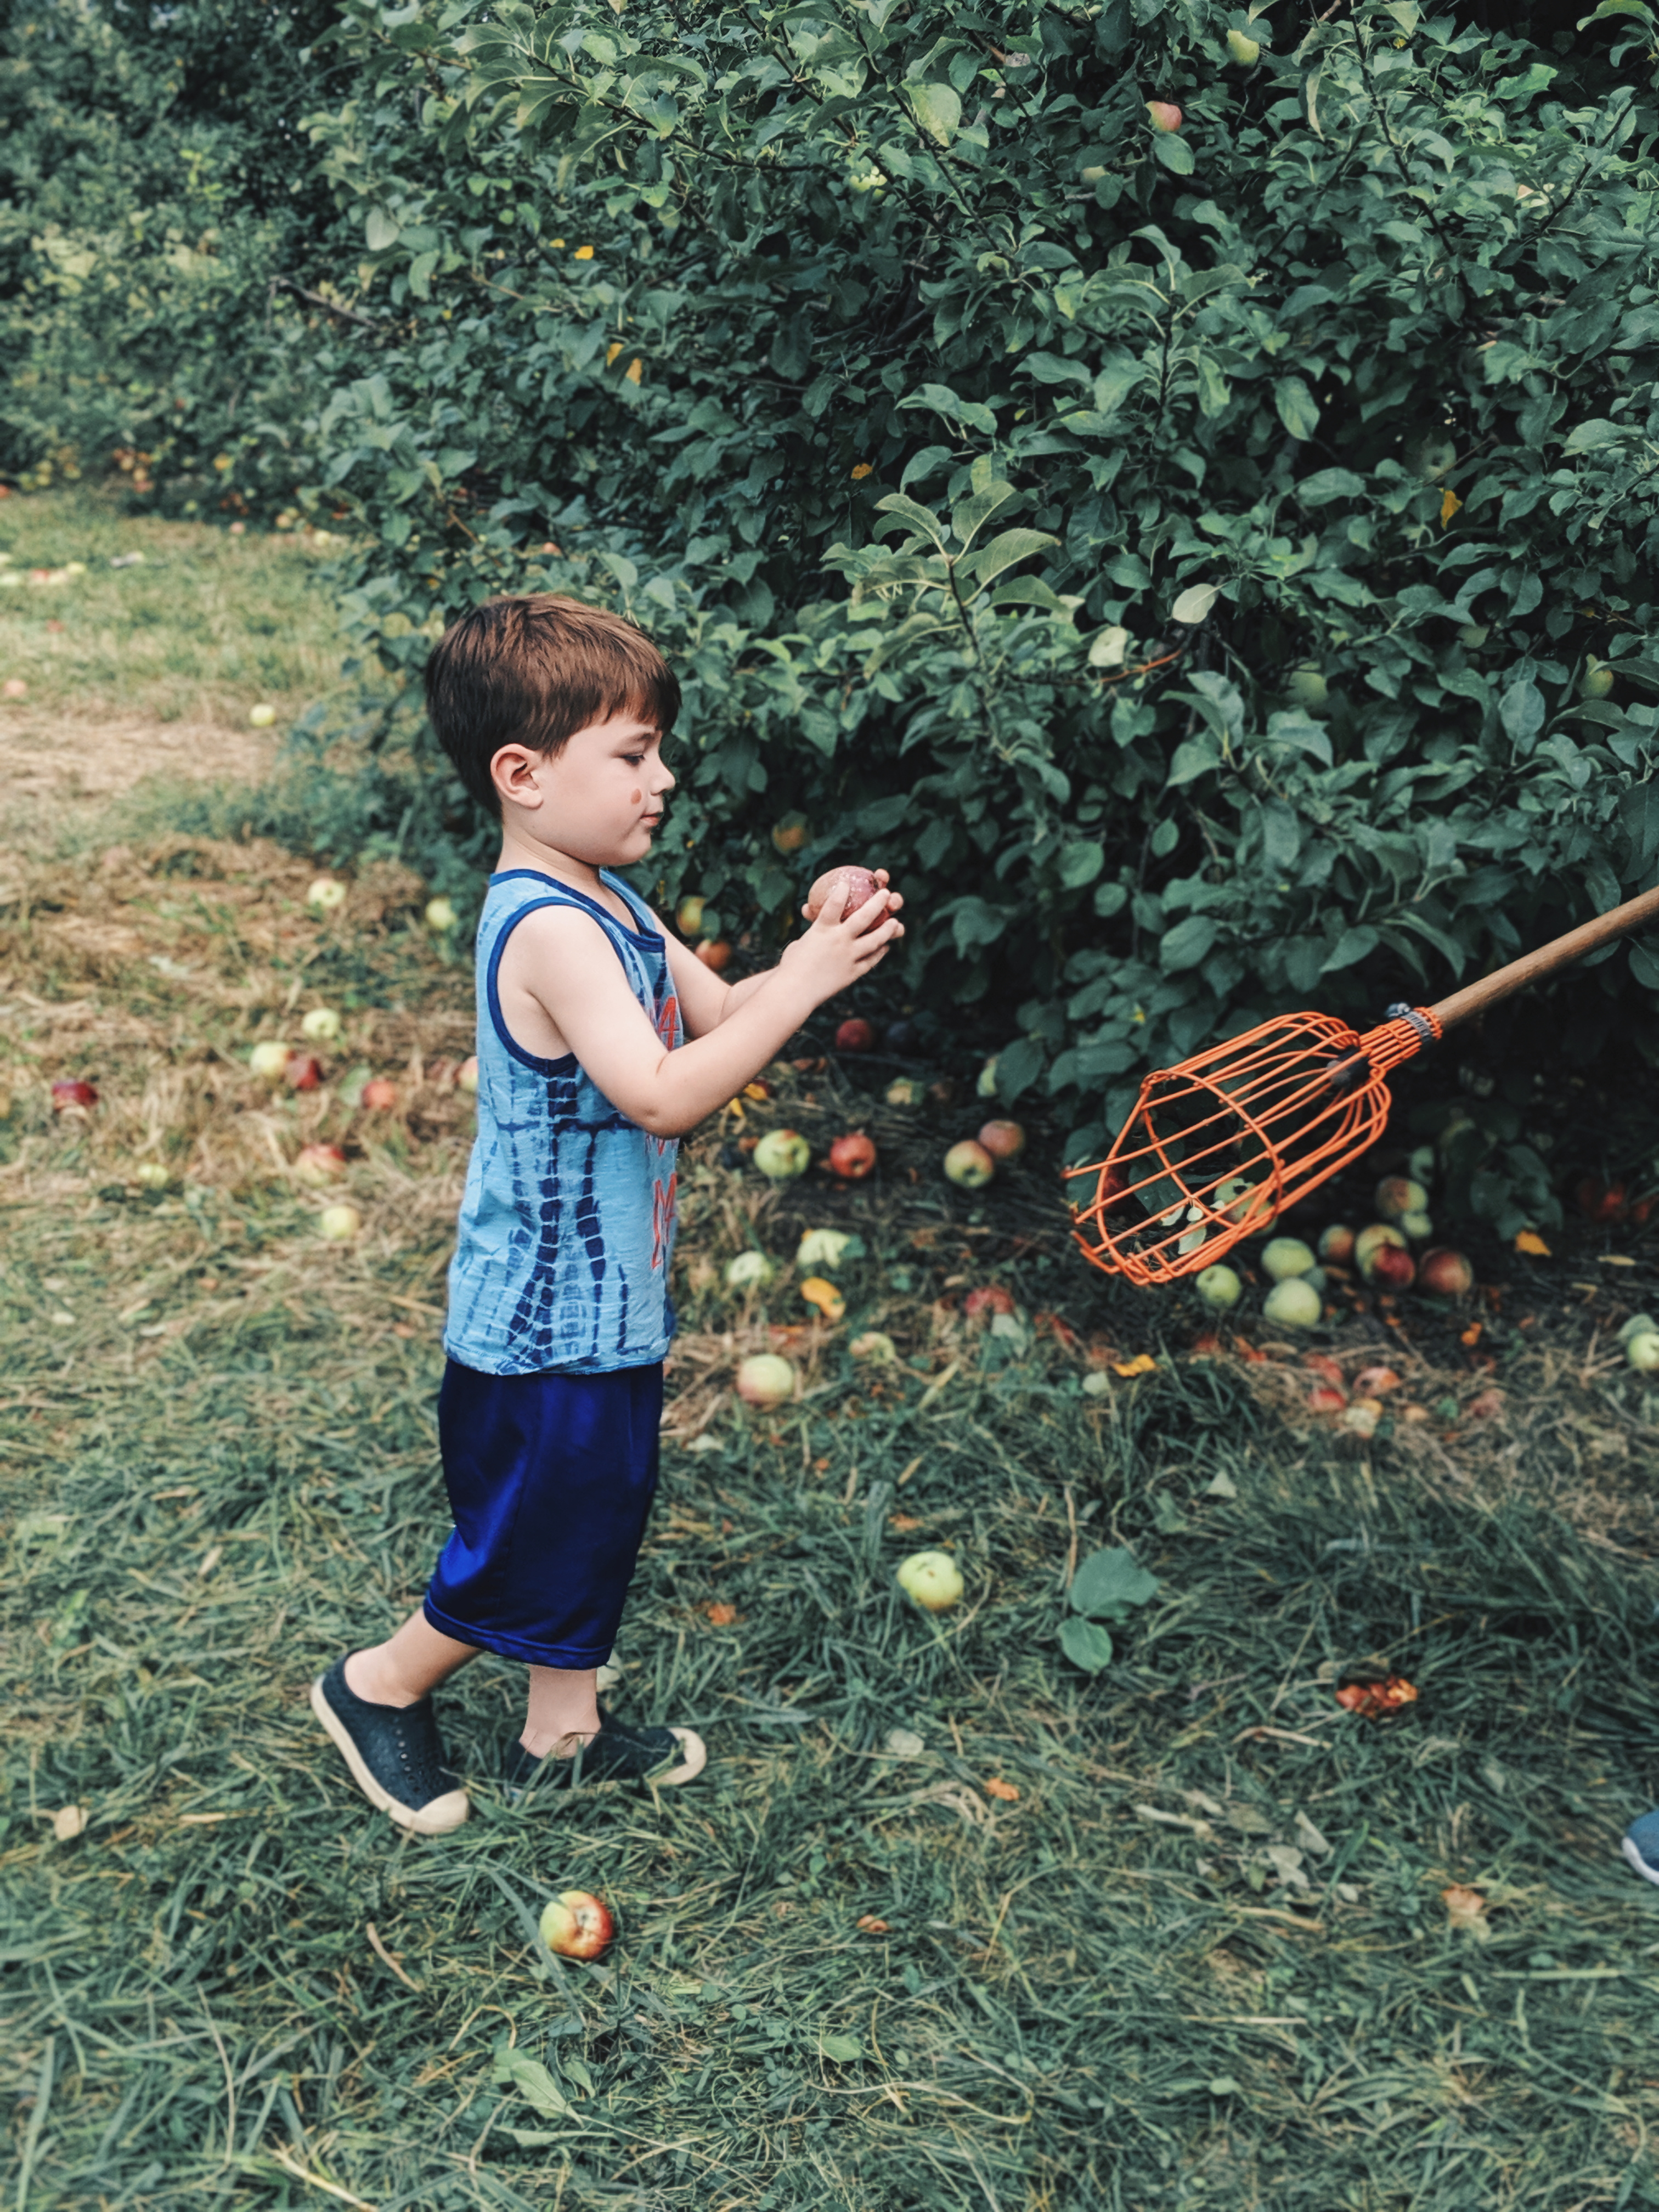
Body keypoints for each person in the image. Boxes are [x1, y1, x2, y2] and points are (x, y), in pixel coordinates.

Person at [310, 594, 903, 1832]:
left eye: (657, 752)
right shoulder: (550, 926)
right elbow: (661, 1096)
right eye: (634, 755)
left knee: (595, 1509)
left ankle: (560, 1733)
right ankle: (377, 1685)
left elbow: (722, 1016)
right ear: (522, 774)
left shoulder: (612, 901)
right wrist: (804, 988)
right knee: (534, 1528)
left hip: (606, 1297)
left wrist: (812, 955)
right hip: (542, 1318)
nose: (665, 778)